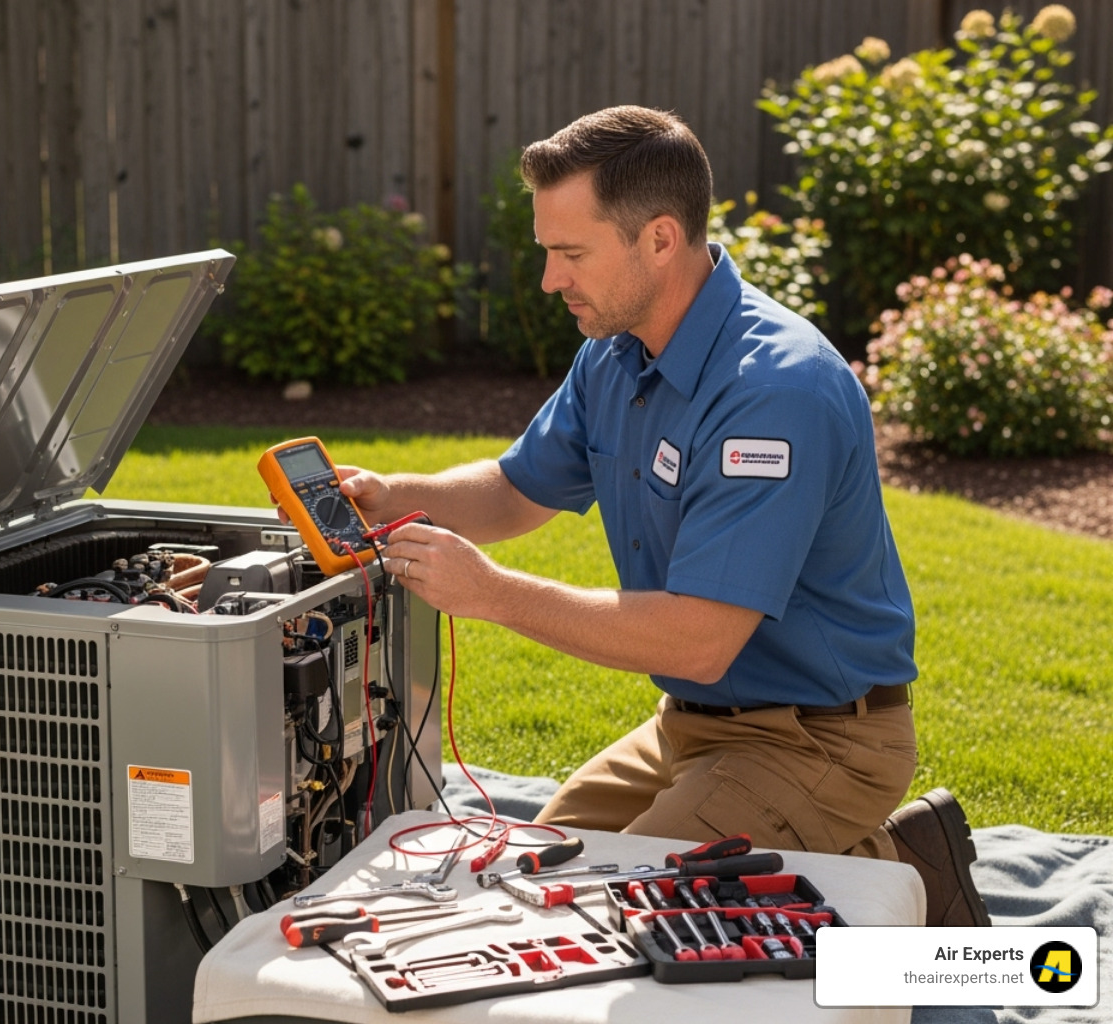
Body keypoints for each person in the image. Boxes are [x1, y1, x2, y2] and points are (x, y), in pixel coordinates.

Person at [326, 106, 989, 928]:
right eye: (547, 252)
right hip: (690, 730)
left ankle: (898, 867)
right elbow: (514, 488)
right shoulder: (616, 351)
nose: (549, 279)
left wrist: (490, 593)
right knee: (530, 875)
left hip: (820, 744)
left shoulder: (773, 391)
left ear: (661, 239)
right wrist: (394, 496)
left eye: (570, 254)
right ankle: (849, 860)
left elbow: (698, 641)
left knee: (614, 921)